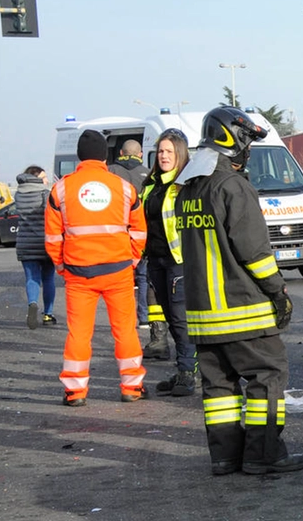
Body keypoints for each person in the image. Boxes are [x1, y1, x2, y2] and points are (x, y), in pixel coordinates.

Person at [175, 107, 303, 475]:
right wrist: (278, 291)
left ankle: (225, 456)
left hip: (203, 316)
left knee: (218, 389)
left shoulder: (189, 188)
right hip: (243, 310)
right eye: (246, 140)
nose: (248, 148)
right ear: (231, 140)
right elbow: (255, 251)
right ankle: (264, 455)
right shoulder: (232, 186)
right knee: (267, 378)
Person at [45, 130, 149, 406]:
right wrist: (133, 259)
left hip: (79, 273)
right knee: (125, 330)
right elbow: (139, 229)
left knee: (79, 333)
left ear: (79, 155)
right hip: (119, 271)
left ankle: (75, 392)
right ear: (106, 156)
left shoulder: (62, 189)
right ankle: (132, 387)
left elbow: (53, 237)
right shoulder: (124, 188)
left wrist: (61, 266)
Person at [142, 129, 198, 397]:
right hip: (155, 261)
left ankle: (188, 374)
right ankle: (182, 370)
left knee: (179, 319)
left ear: (180, 154)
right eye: (161, 151)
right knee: (168, 316)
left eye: (169, 151)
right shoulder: (151, 184)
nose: (163, 156)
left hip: (179, 261)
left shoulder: (186, 184)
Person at [108, 139, 160, 357]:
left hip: (115, 236)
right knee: (142, 278)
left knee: (120, 281)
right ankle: (144, 318)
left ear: (121, 153)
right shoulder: (148, 174)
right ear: (140, 154)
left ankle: (123, 320)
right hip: (141, 235)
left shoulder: (110, 172)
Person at [15, 165, 57, 329]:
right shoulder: (44, 194)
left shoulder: (19, 194)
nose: (47, 180)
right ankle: (48, 314)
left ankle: (32, 303)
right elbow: (51, 216)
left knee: (31, 278)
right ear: (37, 178)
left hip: (25, 243)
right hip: (44, 243)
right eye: (44, 177)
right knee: (48, 279)